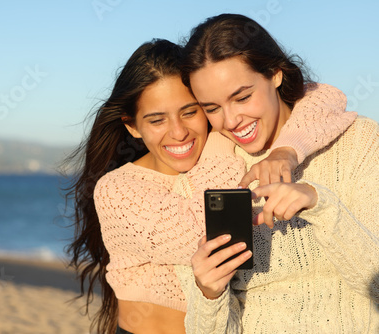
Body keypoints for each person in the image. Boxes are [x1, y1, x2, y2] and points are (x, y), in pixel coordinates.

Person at [64, 38, 354, 334]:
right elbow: (210, 236)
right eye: (156, 120)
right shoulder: (117, 189)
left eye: (190, 112)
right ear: (132, 126)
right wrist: (217, 144)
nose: (178, 132)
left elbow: (324, 99)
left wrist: (288, 150)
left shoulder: (222, 148)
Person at [176, 13, 379, 333]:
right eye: (211, 108)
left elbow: (377, 285)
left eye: (242, 97)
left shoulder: (359, 142)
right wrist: (208, 292)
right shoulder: (210, 171)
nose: (231, 120)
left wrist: (319, 204)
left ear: (275, 74)